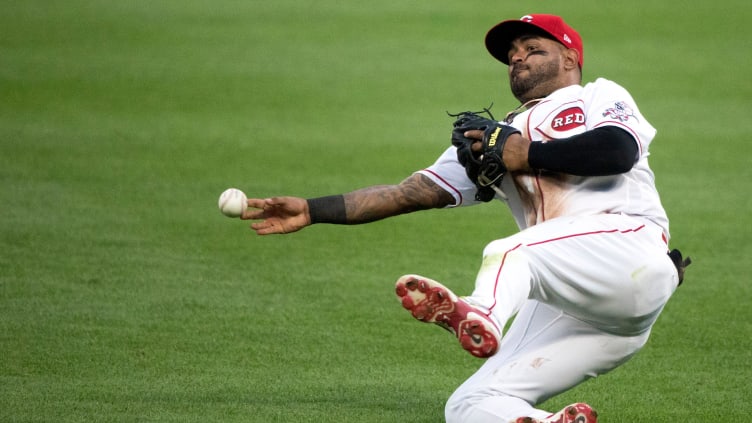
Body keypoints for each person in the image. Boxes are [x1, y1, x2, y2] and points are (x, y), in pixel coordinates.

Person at [242, 13, 689, 423]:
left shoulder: (598, 95)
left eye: (533, 49)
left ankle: (480, 313)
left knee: (508, 251)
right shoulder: (492, 140)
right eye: (512, 57)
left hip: (629, 252)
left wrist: (525, 153)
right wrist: (312, 209)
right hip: (593, 311)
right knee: (468, 405)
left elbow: (618, 151)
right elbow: (408, 194)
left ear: (570, 57)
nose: (518, 60)